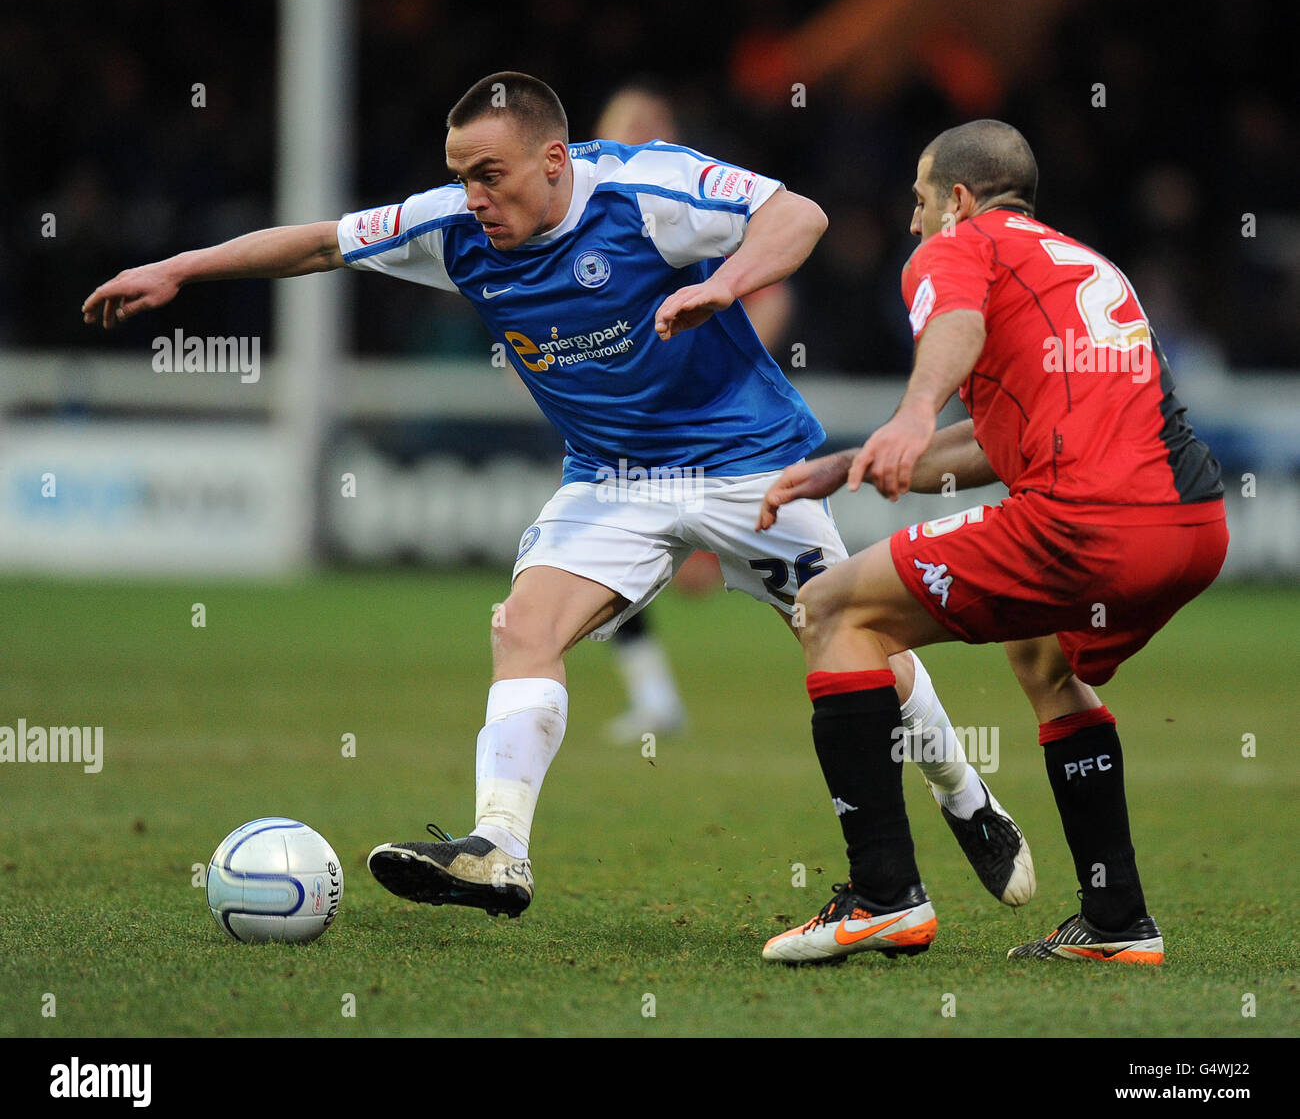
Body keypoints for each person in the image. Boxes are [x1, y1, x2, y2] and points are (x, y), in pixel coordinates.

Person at [83, 73, 1034, 924]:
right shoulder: (455, 229)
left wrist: (726, 287)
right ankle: (499, 848)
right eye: (460, 175)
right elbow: (318, 245)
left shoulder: (643, 190)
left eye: (490, 175)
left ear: (552, 159)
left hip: (749, 467)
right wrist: (179, 267)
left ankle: (965, 797)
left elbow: (803, 216)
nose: (473, 197)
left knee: (853, 638)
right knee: (522, 626)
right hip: (610, 482)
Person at [757, 118, 1227, 965]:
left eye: (919, 198)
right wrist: (851, 464)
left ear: (959, 200)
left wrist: (909, 412)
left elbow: (956, 330)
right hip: (1193, 525)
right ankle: (1118, 921)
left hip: (1088, 522)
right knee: (1041, 657)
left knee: (830, 609)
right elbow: (993, 439)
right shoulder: (1083, 264)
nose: (911, 220)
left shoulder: (956, 247)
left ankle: (882, 897)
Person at [592, 83, 796, 744]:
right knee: (589, 566)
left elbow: (774, 295)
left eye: (653, 123)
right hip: (630, 429)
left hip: (720, 424)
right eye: (626, 126)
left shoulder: (699, 204)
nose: (641, 136)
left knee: (795, 577)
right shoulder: (583, 224)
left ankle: (870, 686)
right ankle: (654, 698)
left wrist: (718, 361)